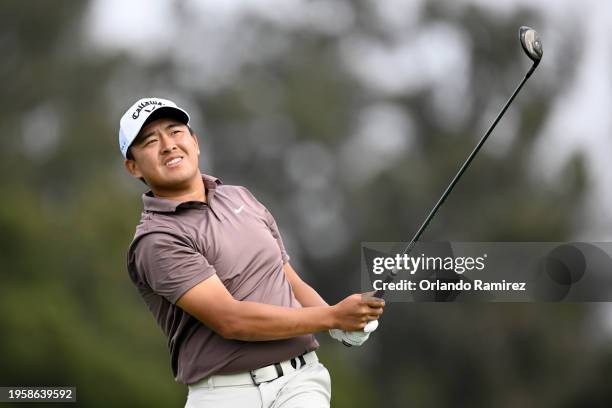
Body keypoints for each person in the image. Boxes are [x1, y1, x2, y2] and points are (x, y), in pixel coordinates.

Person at [119, 97, 385, 408]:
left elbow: (286, 278)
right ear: (133, 166)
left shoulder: (240, 197)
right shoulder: (156, 239)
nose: (168, 145)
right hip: (225, 396)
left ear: (195, 141)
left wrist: (343, 323)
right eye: (150, 141)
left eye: (175, 131)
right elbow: (230, 320)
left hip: (300, 382)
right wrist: (331, 317)